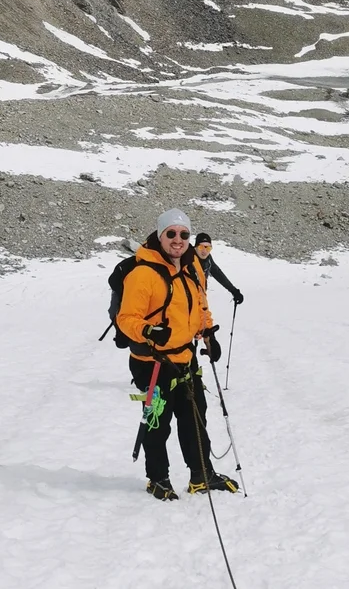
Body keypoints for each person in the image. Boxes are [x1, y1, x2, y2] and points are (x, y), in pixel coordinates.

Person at [117, 208, 239, 500]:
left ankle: (201, 475)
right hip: (153, 363)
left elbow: (201, 305)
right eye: (170, 233)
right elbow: (126, 318)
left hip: (186, 357)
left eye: (184, 234)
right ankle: (158, 479)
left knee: (194, 418)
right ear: (160, 236)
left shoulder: (192, 266)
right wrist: (148, 331)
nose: (178, 239)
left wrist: (208, 334)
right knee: (158, 423)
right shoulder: (143, 274)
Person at [191, 232, 244, 306]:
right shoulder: (187, 259)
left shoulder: (208, 259)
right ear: (195, 247)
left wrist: (234, 291)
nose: (204, 251)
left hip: (200, 298)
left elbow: (217, 273)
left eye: (208, 248)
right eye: (201, 247)